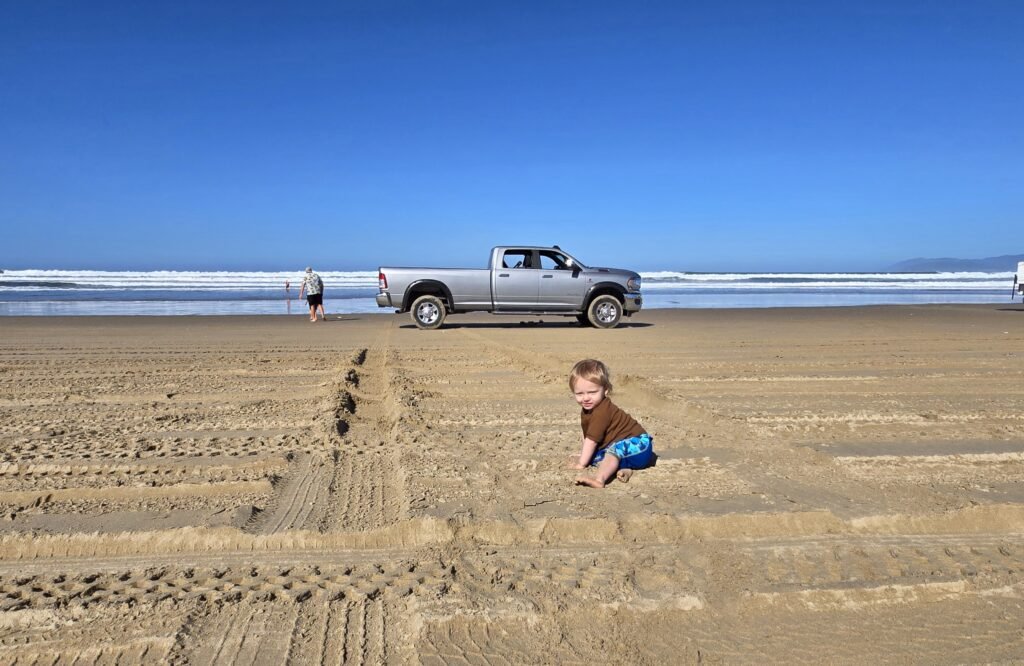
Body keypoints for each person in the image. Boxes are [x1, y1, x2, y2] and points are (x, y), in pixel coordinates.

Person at [568, 359, 654, 488]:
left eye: (592, 392)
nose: (585, 398)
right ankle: (625, 469)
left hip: (639, 444)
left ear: (606, 390)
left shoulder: (602, 411)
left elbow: (592, 440)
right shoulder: (588, 408)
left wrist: (581, 463)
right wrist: (584, 456)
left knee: (613, 451)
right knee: (597, 457)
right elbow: (587, 435)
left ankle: (599, 480)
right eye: (579, 393)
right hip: (628, 451)